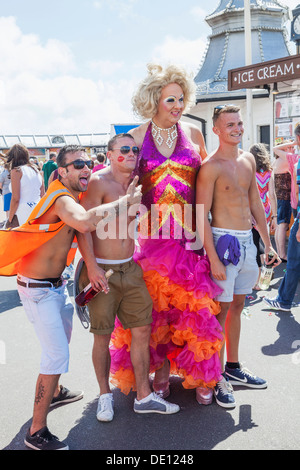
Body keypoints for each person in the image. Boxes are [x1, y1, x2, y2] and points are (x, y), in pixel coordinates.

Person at [0, 144, 142, 450]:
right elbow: (85, 223)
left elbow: (80, 228)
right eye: (78, 164)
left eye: (88, 163)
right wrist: (126, 201)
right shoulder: (62, 198)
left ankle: (55, 391)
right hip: (38, 291)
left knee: (61, 341)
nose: (86, 169)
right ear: (61, 171)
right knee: (55, 356)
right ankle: (36, 431)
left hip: (53, 285)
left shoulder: (70, 195)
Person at [109, 64, 224, 407]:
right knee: (156, 311)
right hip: (151, 238)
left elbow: (207, 182)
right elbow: (122, 184)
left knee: (194, 310)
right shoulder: (137, 137)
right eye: (170, 99)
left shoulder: (194, 134)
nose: (177, 105)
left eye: (181, 98)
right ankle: (159, 373)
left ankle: (202, 375)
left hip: (189, 236)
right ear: (153, 100)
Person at [77, 133, 180, 421]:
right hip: (101, 271)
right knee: (102, 336)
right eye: (124, 149)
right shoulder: (99, 182)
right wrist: (92, 267)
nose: (132, 153)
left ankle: (144, 396)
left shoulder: (137, 182)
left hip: (130, 268)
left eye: (135, 149)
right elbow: (83, 227)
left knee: (143, 331)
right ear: (109, 154)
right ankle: (104, 395)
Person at [196, 104, 281, 408]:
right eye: (229, 124)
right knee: (220, 310)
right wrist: (214, 259)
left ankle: (233, 367)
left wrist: (268, 244)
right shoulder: (210, 167)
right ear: (216, 130)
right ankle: (216, 376)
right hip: (223, 242)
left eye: (239, 123)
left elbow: (255, 204)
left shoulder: (247, 160)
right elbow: (200, 217)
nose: (236, 128)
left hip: (248, 242)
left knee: (240, 304)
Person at [264, 135, 300, 312]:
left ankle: (284, 300)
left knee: (294, 261)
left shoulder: (291, 159)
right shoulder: (291, 159)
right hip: (290, 202)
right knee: (283, 227)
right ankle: (284, 299)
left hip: (292, 205)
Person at [249, 143, 277, 289]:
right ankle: (268, 269)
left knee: (255, 243)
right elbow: (272, 195)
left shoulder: (249, 171)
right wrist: (274, 216)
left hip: (253, 210)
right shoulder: (269, 172)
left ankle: (258, 280)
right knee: (263, 242)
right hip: (265, 210)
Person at [6, 144, 44, 228]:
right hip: (38, 209)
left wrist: (10, 219)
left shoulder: (16, 171)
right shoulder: (36, 170)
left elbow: (16, 198)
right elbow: (42, 195)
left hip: (22, 211)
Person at [272, 140, 296, 261]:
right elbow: (275, 148)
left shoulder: (278, 160)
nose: (293, 149)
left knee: (280, 224)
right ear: (285, 149)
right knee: (283, 224)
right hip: (285, 196)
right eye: (290, 147)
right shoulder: (285, 159)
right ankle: (282, 254)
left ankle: (279, 252)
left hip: (280, 196)